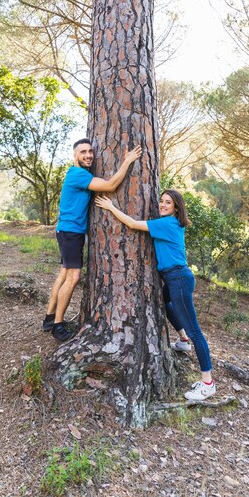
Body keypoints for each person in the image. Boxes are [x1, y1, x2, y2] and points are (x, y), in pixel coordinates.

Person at [94, 189, 216, 401]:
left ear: (176, 207)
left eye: (168, 202)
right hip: (173, 278)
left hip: (178, 279)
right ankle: (183, 340)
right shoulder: (170, 223)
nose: (162, 205)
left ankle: (208, 383)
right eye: (161, 201)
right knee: (165, 305)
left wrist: (111, 207)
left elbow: (132, 224)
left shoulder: (167, 223)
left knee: (196, 331)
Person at [43, 138, 142, 342]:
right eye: (83, 152)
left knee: (64, 274)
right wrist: (127, 160)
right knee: (73, 277)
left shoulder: (80, 174)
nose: (88, 155)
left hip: (68, 231)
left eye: (90, 151)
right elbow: (111, 185)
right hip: (71, 232)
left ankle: (49, 318)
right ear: (75, 156)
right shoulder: (78, 174)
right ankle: (58, 326)